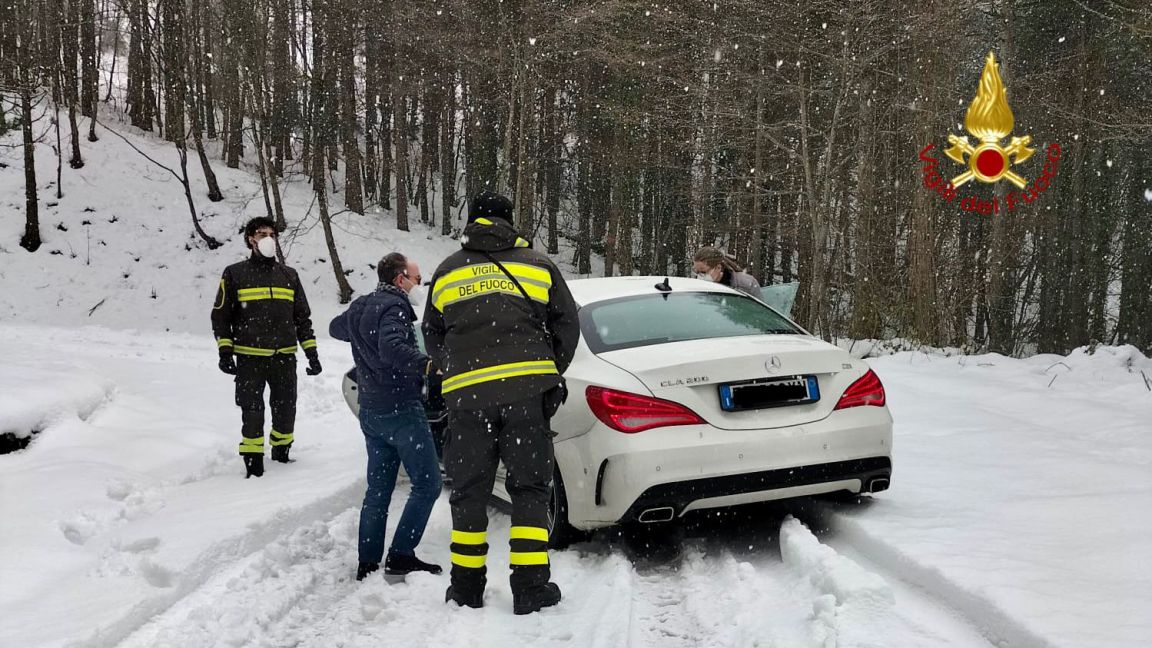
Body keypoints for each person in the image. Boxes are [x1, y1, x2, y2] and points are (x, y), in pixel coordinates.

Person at [422, 191, 580, 615]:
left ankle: (466, 587)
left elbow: (431, 332)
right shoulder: (538, 265)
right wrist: (548, 371)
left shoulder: (448, 270)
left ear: (472, 221)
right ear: (510, 221)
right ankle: (530, 587)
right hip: (526, 395)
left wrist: (455, 367)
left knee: (469, 492)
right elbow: (568, 324)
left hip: (468, 399)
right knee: (529, 489)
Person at [330, 252, 443, 581]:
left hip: (371, 411)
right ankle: (401, 555)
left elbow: (336, 328)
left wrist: (361, 331)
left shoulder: (361, 305)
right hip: (401, 410)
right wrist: (428, 365)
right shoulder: (395, 306)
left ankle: (368, 562)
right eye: (417, 279)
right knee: (428, 483)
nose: (420, 284)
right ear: (400, 279)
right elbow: (391, 347)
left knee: (378, 489)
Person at [211, 217, 322, 479]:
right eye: (262, 234)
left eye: (272, 234)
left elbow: (302, 318)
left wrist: (312, 353)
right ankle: (253, 463)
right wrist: (225, 351)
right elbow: (221, 316)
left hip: (284, 357)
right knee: (252, 411)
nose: (268, 239)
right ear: (250, 239)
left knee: (286, 408)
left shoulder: (289, 275)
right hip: (250, 358)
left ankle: (282, 453)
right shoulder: (235, 273)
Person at [692, 246, 763, 299]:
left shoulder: (746, 284)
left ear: (718, 267)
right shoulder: (694, 288)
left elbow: (759, 311)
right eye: (696, 272)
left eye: (703, 272)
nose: (699, 276)